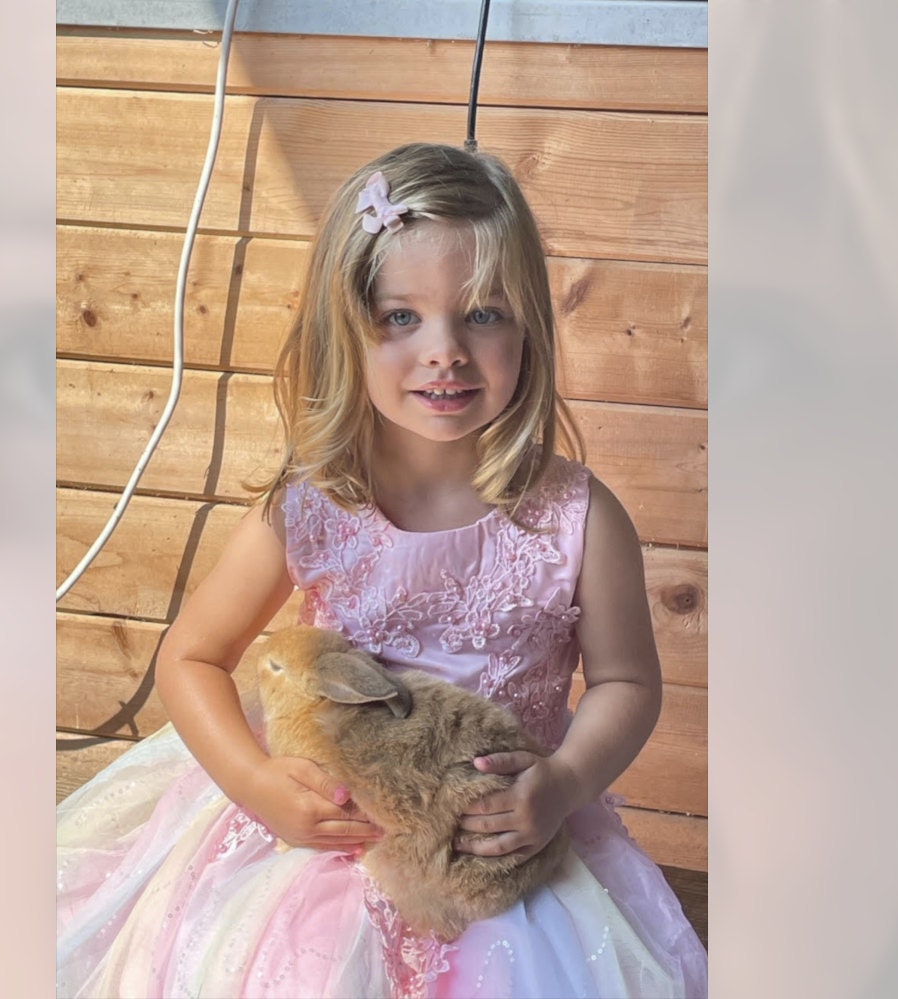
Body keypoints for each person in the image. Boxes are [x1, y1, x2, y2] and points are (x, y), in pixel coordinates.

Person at [57, 142, 709, 997]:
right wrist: (256, 783)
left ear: (529, 329)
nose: (445, 350)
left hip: (496, 847)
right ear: (347, 330)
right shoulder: (314, 504)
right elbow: (191, 656)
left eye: (483, 313)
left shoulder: (577, 517)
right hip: (332, 842)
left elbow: (625, 681)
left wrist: (561, 783)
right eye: (401, 317)